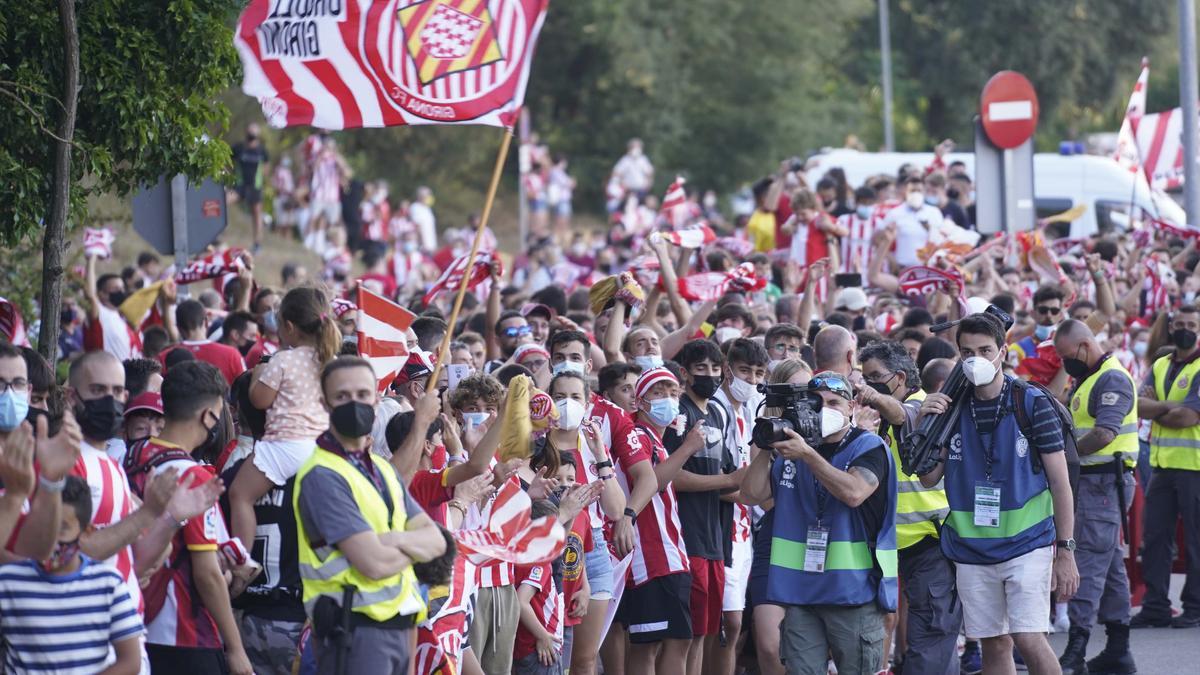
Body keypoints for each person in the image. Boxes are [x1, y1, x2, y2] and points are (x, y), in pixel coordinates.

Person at [918, 313, 1078, 675]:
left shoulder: (1032, 403)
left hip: (1028, 544)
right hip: (971, 549)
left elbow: (1060, 483)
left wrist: (1066, 551)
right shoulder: (951, 407)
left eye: (985, 349)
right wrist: (921, 423)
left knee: (1028, 638)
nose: (976, 358)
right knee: (994, 642)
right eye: (967, 352)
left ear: (1002, 352)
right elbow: (929, 478)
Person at [294, 356, 446, 674]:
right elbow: (373, 564)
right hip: (353, 632)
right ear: (324, 404)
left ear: (377, 399)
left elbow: (437, 542)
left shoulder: (380, 471)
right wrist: (413, 547)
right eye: (342, 397)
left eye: (363, 395)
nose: (354, 404)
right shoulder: (322, 474)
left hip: (399, 626)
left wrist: (392, 540)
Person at [740, 370, 897, 675]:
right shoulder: (791, 449)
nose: (825, 409)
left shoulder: (868, 447)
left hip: (853, 593)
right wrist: (767, 445)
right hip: (799, 593)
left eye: (834, 402)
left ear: (851, 407)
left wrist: (808, 455)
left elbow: (854, 493)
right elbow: (750, 494)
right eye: (817, 402)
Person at [123, 360, 250, 674]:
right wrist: (235, 649)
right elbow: (207, 574)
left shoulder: (130, 457)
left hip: (134, 629)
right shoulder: (191, 476)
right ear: (209, 416)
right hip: (187, 637)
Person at [858, 340, 960, 674]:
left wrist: (872, 396)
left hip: (927, 541)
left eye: (875, 376)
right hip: (888, 545)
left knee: (931, 637)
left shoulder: (924, 407)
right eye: (865, 377)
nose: (869, 382)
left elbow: (903, 414)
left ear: (900, 377)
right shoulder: (874, 419)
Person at [229, 287, 341, 575]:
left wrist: (257, 377)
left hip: (283, 447)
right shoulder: (331, 362)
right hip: (319, 449)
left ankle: (243, 562)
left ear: (289, 327)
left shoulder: (282, 360)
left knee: (240, 495)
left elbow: (259, 401)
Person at [1052, 320, 1138, 674]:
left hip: (1102, 483)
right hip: (1096, 484)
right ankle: (1119, 650)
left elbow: (1104, 433)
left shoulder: (1111, 379)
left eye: (1067, 356)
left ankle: (1076, 650)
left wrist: (1065, 456)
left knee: (1085, 563)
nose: (1064, 363)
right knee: (1111, 567)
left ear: (1085, 346)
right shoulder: (1089, 377)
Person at [0, 475, 145, 675]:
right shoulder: (9, 582)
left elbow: (130, 662)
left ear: (86, 533)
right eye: (45, 525)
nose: (51, 539)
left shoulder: (108, 583)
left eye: (62, 529)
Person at [660, 339, 743, 675]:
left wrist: (755, 488)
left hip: (714, 541)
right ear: (685, 373)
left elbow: (725, 479)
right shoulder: (677, 413)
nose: (708, 375)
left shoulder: (721, 413)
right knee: (684, 635)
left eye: (714, 368)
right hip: (684, 538)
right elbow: (671, 478)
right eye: (700, 369)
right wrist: (730, 480)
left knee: (705, 633)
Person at [619, 367, 709, 675]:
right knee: (654, 645)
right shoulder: (637, 435)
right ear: (640, 402)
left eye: (673, 393)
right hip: (652, 554)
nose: (668, 400)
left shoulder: (657, 440)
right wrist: (687, 449)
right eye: (658, 393)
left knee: (676, 640)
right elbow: (651, 483)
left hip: (670, 554)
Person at [1133, 305, 1200, 629]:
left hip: (1194, 467)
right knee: (1156, 538)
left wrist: (1157, 407)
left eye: (1192, 324)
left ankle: (1195, 606)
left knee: (1196, 542)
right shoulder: (1160, 363)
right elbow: (1137, 404)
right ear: (1171, 327)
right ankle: (1156, 605)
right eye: (1181, 324)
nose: (1185, 329)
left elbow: (1188, 417)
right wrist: (1170, 407)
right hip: (1161, 465)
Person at [710, 338, 768, 675]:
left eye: (758, 372)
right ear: (728, 368)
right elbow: (719, 478)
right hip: (720, 526)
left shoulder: (751, 410)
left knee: (735, 625)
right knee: (726, 622)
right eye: (745, 370)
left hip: (744, 527)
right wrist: (750, 492)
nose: (751, 378)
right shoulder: (715, 409)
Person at [162, 300, 247, 386]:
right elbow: (245, 388)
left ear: (178, 328)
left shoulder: (164, 356)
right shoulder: (232, 354)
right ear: (206, 322)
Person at [880, 175, 944, 268]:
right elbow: (880, 240)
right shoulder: (895, 213)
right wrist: (892, 262)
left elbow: (942, 240)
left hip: (929, 268)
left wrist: (930, 230)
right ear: (905, 192)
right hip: (902, 268)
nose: (916, 194)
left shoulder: (934, 213)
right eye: (912, 191)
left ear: (924, 192)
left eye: (919, 191)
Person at [232, 123, 269, 251]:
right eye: (250, 131)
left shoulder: (262, 150)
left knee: (257, 213)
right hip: (239, 185)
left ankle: (257, 243)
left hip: (255, 186)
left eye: (254, 132)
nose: (252, 135)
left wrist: (262, 180)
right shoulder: (238, 148)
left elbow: (266, 168)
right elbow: (227, 161)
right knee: (222, 203)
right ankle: (215, 236)